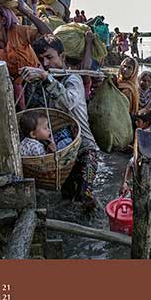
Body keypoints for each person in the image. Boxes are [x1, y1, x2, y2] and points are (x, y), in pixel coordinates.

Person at [22, 35, 101, 209]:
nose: (46, 63)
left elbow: (69, 101)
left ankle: (94, 225)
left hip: (84, 149)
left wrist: (45, 78)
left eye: (50, 57)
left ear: (62, 57)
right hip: (62, 151)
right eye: (41, 59)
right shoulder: (45, 81)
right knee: (66, 197)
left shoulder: (73, 79)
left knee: (85, 196)